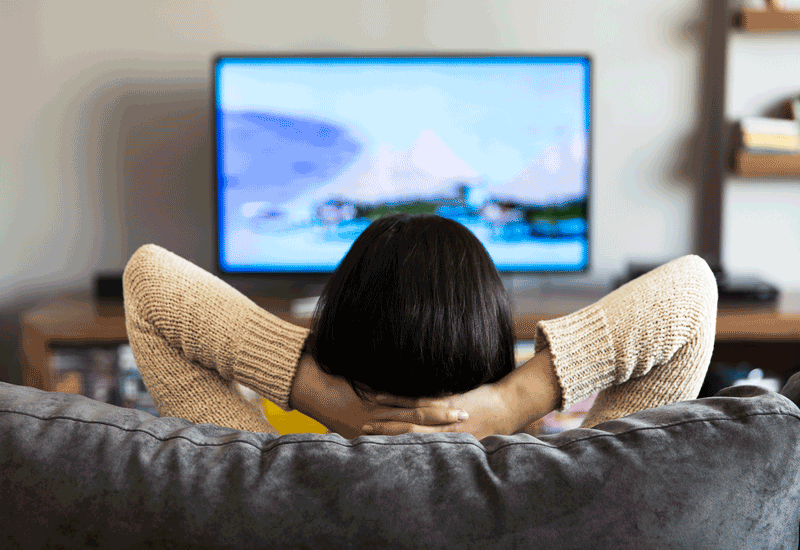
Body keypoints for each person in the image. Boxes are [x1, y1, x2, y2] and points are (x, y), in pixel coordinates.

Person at [123, 214, 718, 439]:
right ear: (492, 351)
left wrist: (325, 398)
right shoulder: (575, 488)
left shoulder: (260, 486)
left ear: (334, 341)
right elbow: (692, 290)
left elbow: (149, 282)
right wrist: (511, 403)